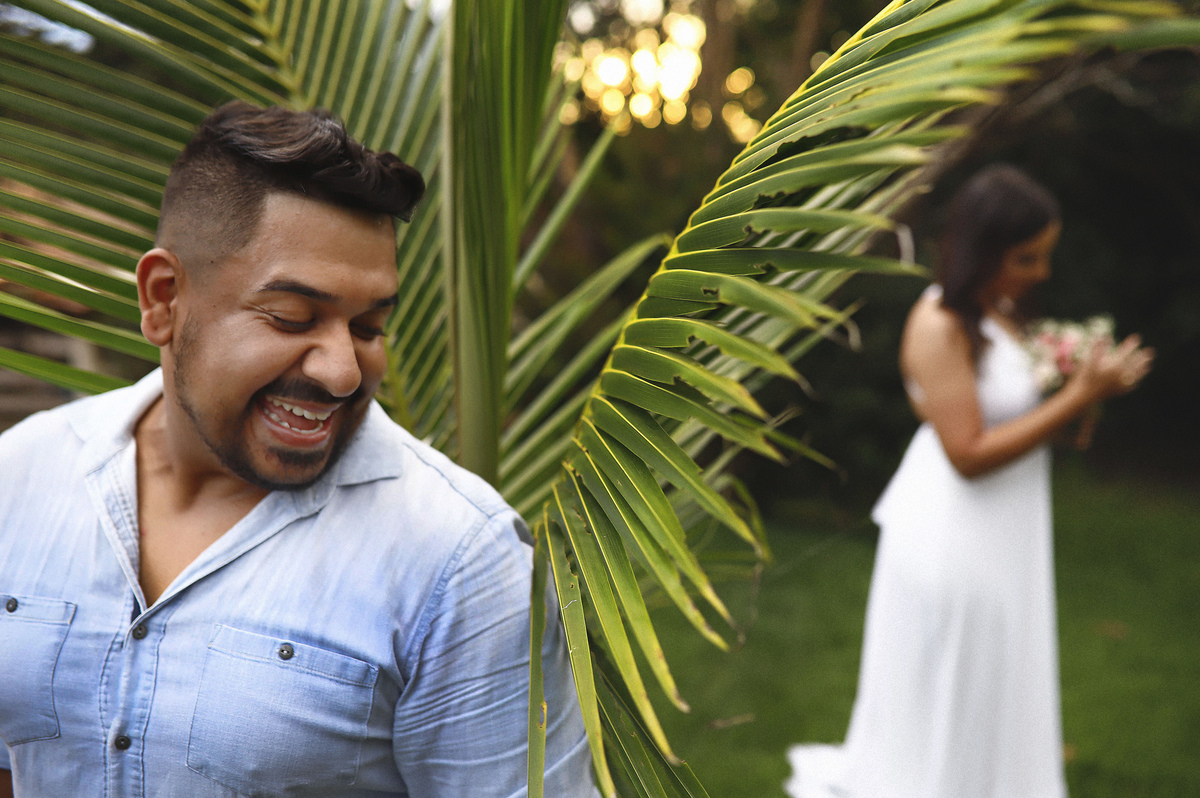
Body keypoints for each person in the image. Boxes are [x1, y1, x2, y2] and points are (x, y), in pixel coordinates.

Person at [0, 102, 596, 797]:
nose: (343, 371)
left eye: (370, 327)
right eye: (292, 318)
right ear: (164, 299)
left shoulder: (465, 562)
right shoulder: (19, 476)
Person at [785, 165, 1154, 798]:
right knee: (956, 677)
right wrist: (1079, 395)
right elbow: (968, 452)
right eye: (1025, 257)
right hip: (953, 533)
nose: (1040, 272)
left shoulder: (1002, 310)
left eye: (1044, 256)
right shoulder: (938, 325)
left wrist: (1084, 399)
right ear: (981, 249)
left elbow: (1032, 424)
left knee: (1000, 677)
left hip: (1007, 526)